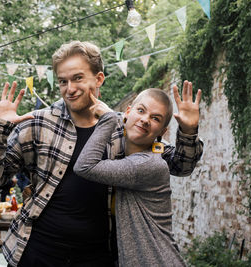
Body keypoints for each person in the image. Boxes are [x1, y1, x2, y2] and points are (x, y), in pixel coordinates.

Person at [0, 40, 201, 267]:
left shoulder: (123, 126)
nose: (70, 89)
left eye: (78, 78)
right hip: (37, 252)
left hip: (98, 257)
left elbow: (181, 165)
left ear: (99, 78)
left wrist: (189, 130)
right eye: (63, 81)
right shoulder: (37, 124)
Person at [73, 82, 203, 266]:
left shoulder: (149, 162)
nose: (145, 119)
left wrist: (189, 131)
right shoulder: (115, 140)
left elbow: (84, 166)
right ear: (128, 111)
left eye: (155, 118)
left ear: (162, 132)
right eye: (141, 111)